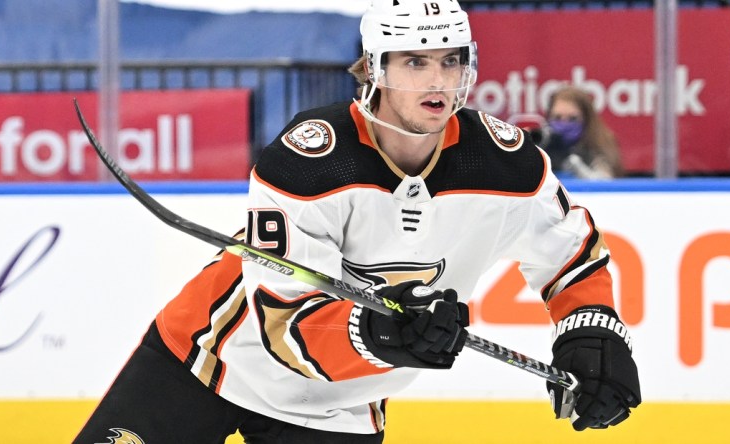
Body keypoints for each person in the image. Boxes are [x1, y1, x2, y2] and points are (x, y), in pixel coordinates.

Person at [74, 1, 640, 442]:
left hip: (341, 407)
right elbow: (282, 327)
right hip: (209, 360)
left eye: (450, 60)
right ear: (374, 67)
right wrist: (384, 336)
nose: (438, 81)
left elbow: (572, 255)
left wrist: (590, 332)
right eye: (416, 62)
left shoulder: (506, 164)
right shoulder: (311, 160)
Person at [543, 85, 624, 179]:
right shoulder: (542, 146)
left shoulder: (599, 146)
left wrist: (575, 165)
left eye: (572, 118)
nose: (564, 124)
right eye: (557, 118)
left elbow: (604, 183)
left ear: (586, 119)